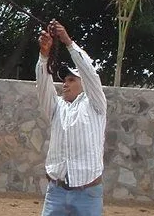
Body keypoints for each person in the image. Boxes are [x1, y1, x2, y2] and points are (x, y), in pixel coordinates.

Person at [36, 20, 107, 216]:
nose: (65, 84)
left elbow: (90, 74)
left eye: (71, 80)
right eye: (64, 80)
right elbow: (42, 85)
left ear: (84, 83)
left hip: (88, 193)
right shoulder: (56, 106)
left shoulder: (96, 104)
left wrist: (68, 42)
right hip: (56, 191)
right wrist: (44, 55)